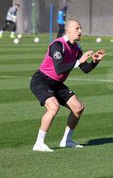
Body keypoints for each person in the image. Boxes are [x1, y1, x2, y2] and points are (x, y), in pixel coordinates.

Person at [30, 19, 106, 152]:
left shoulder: (77, 48)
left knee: (78, 108)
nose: (80, 31)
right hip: (41, 81)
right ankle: (39, 143)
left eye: (80, 28)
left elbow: (85, 69)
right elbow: (59, 68)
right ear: (68, 30)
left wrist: (94, 61)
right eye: (77, 28)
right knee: (53, 107)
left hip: (57, 83)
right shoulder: (58, 45)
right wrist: (79, 61)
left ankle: (67, 140)